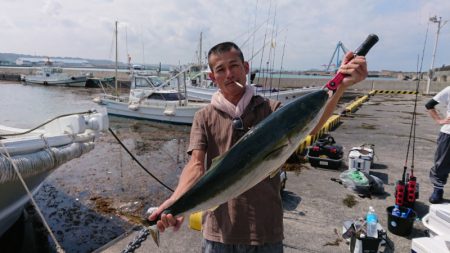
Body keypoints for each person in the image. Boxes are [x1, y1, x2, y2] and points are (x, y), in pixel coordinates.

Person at [149, 41, 367, 252]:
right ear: (212, 77)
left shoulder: (271, 110)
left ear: (246, 68)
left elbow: (309, 126)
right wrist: (176, 201)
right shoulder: (203, 117)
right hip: (218, 234)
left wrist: (340, 87)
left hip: (265, 233)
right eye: (220, 69)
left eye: (234, 66)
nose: (229, 74)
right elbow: (196, 164)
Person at [425, 86, 450, 203]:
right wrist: (439, 120)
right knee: (441, 164)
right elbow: (429, 105)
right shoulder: (449, 90)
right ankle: (438, 190)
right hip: (448, 133)